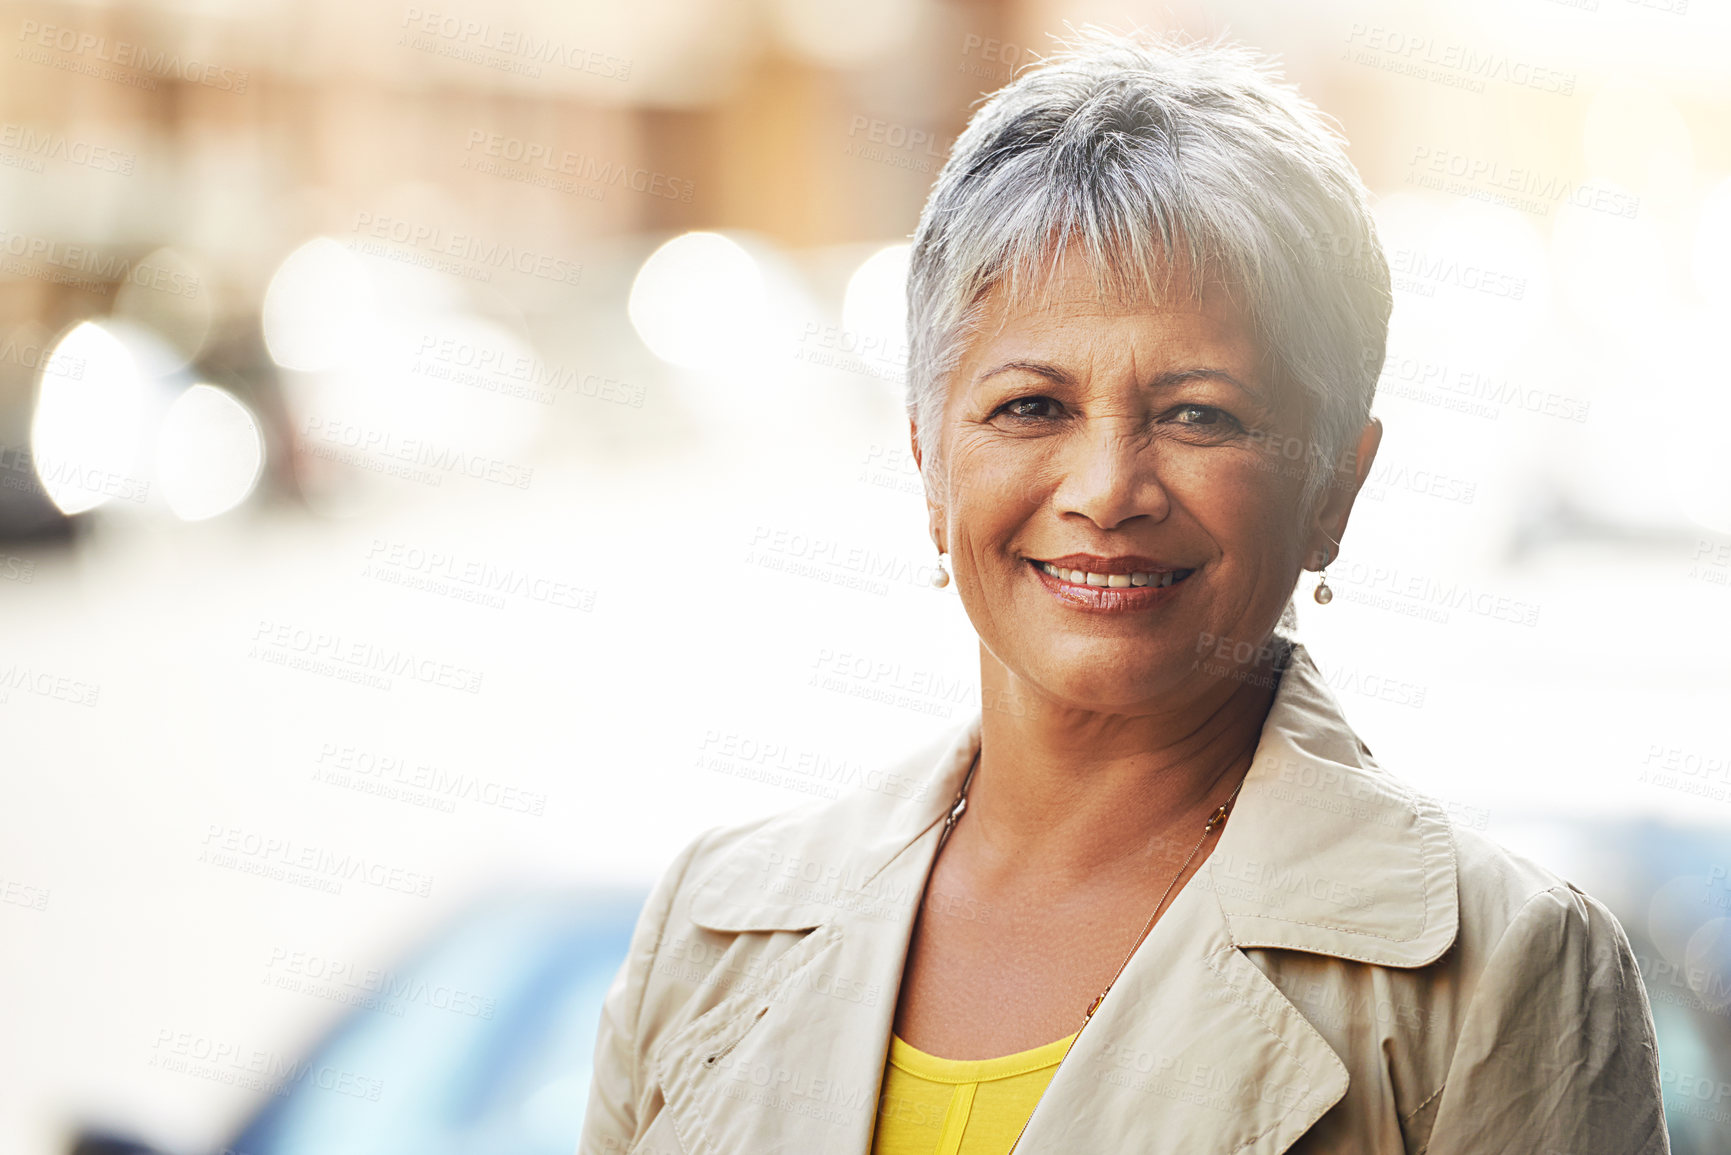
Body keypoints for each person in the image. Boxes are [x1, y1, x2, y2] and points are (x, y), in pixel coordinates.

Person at [579, 27, 1669, 1155]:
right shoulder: (715, 927)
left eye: (1200, 414)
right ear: (927, 462)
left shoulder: (1500, 972)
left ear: (1335, 488)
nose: (1107, 491)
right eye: (1032, 407)